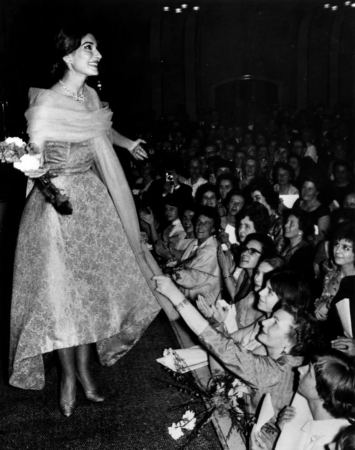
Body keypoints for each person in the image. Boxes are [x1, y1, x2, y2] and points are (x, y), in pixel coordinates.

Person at [9, 27, 167, 417]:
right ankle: (67, 377)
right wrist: (51, 192)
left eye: (96, 47)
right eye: (88, 48)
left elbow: (99, 128)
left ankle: (83, 372)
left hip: (93, 202)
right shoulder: (45, 105)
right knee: (62, 299)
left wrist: (128, 143)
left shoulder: (90, 95)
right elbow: (35, 165)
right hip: (56, 210)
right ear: (68, 57)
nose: (97, 54)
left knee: (88, 295)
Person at [153, 275, 320, 422]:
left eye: (274, 323)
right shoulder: (288, 362)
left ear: (289, 343)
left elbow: (221, 346)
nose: (264, 322)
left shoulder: (275, 371)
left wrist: (176, 296)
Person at [263, 350, 355, 450]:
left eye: (308, 372)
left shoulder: (330, 443)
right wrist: (284, 431)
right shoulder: (313, 409)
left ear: (323, 393)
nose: (300, 369)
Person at [169, 206, 222, 302]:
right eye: (199, 222)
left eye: (206, 224)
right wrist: (175, 264)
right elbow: (187, 265)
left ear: (213, 229)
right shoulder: (195, 243)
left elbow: (189, 279)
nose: (200, 226)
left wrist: (169, 270)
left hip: (203, 307)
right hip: (187, 300)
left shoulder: (211, 250)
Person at [250, 179, 286, 253]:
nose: (254, 202)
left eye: (257, 198)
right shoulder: (256, 219)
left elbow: (279, 250)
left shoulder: (279, 222)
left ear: (267, 197)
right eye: (252, 199)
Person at [292, 175, 330, 244]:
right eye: (304, 187)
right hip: (294, 240)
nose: (305, 191)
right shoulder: (298, 203)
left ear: (317, 192)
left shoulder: (322, 211)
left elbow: (321, 237)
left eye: (310, 189)